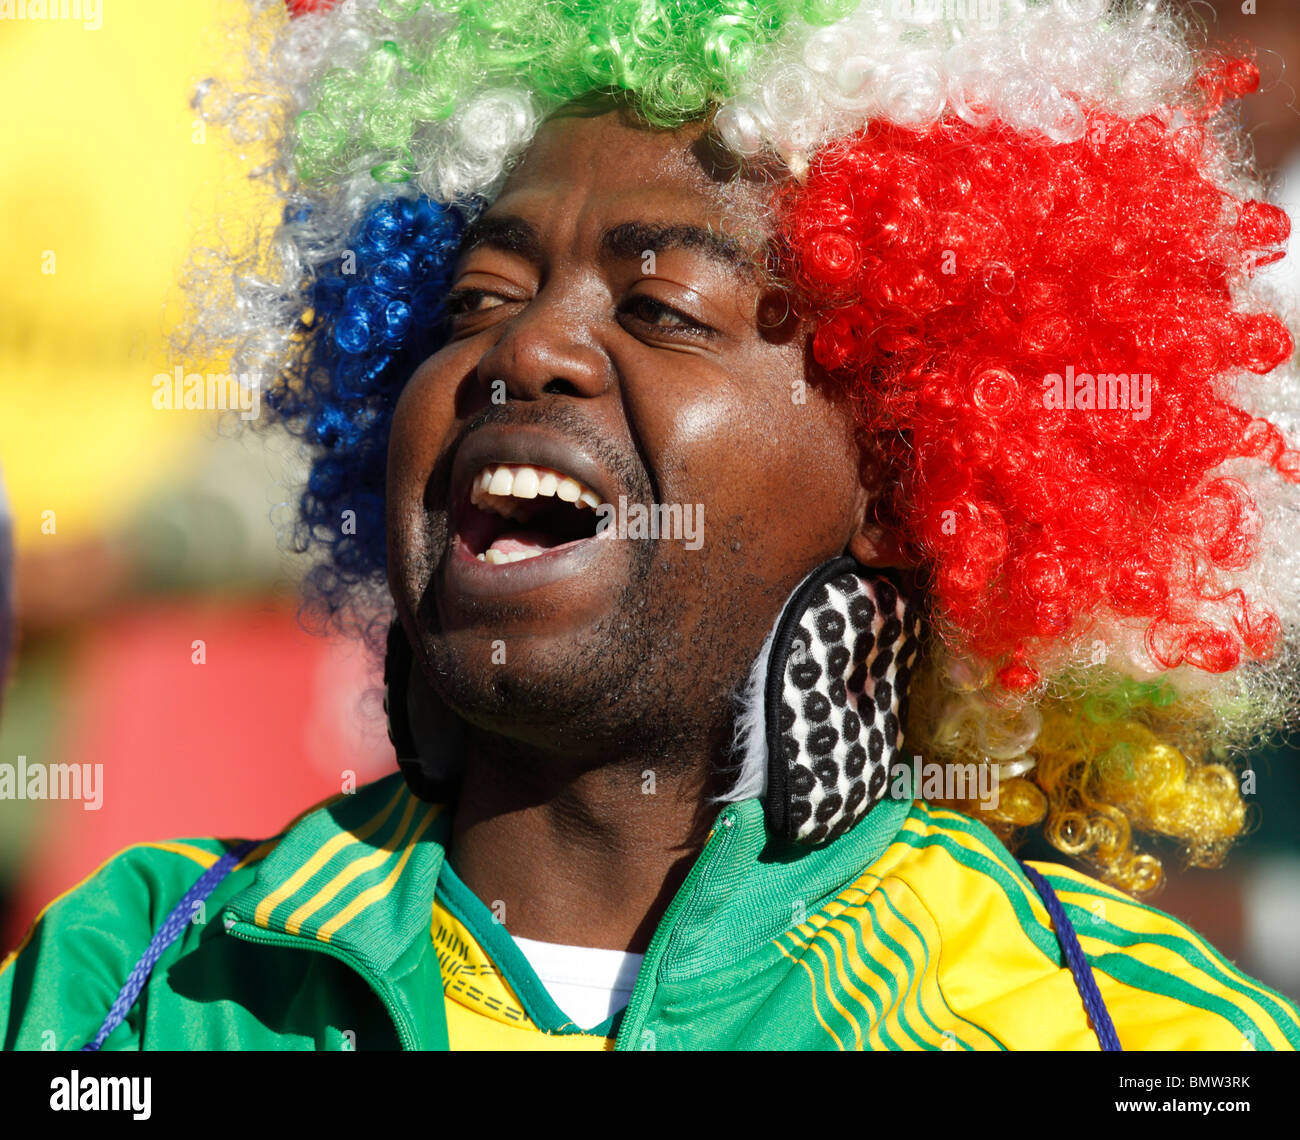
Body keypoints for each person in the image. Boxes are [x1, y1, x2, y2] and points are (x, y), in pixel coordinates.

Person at [2, 0, 1299, 1051]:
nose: (531, 346)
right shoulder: (129, 982)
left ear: (905, 479)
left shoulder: (1118, 1030)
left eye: (663, 305)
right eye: (474, 297)